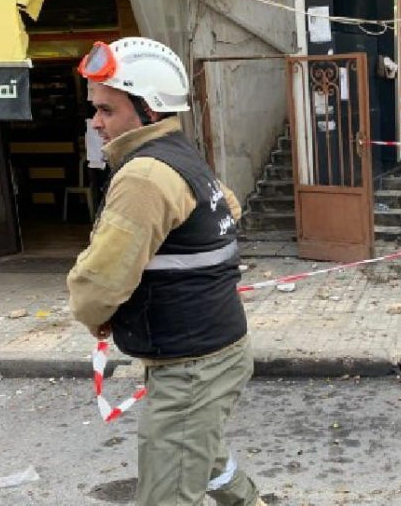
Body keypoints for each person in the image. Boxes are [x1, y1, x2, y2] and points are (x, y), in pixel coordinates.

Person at [67, 37, 262, 506]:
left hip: (190, 364)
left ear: (148, 108)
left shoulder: (143, 176)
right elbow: (229, 208)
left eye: (107, 110)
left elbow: (97, 285)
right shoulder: (181, 155)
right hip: (213, 351)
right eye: (95, 110)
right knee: (202, 456)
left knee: (167, 491)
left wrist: (99, 315)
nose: (96, 123)